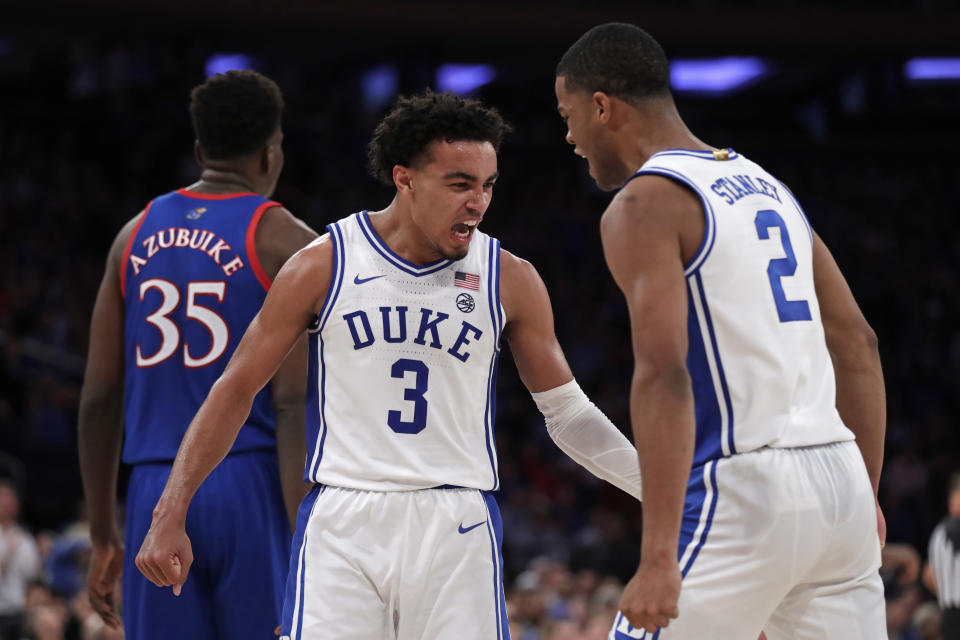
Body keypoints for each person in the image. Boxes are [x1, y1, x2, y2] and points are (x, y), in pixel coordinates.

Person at [135, 89, 645, 640]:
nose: (477, 202)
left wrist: (665, 494)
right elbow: (236, 389)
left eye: (487, 186)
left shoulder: (510, 277)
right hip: (343, 518)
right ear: (404, 179)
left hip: (457, 521)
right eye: (459, 184)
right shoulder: (325, 263)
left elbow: (567, 415)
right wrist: (171, 509)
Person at [554, 23, 888, 640]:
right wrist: (861, 494)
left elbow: (663, 373)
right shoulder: (769, 186)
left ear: (602, 107)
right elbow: (857, 343)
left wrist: (658, 557)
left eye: (568, 115)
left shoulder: (644, 203)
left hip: (747, 487)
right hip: (841, 477)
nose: (570, 137)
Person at [77, 69, 317, 639]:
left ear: (199, 150)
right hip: (251, 480)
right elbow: (293, 406)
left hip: (154, 489)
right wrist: (305, 529)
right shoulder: (289, 241)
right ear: (270, 153)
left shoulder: (132, 236)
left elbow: (98, 399)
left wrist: (104, 534)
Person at [0, 479, 41, 639]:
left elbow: (33, 577)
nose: (7, 502)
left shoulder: (25, 539)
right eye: (2, 497)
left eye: (10, 497)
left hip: (18, 609)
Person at [924, 471, 960, 639]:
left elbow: (928, 575)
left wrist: (945, 593)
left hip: (949, 614)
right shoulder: (947, 531)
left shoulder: (939, 531)